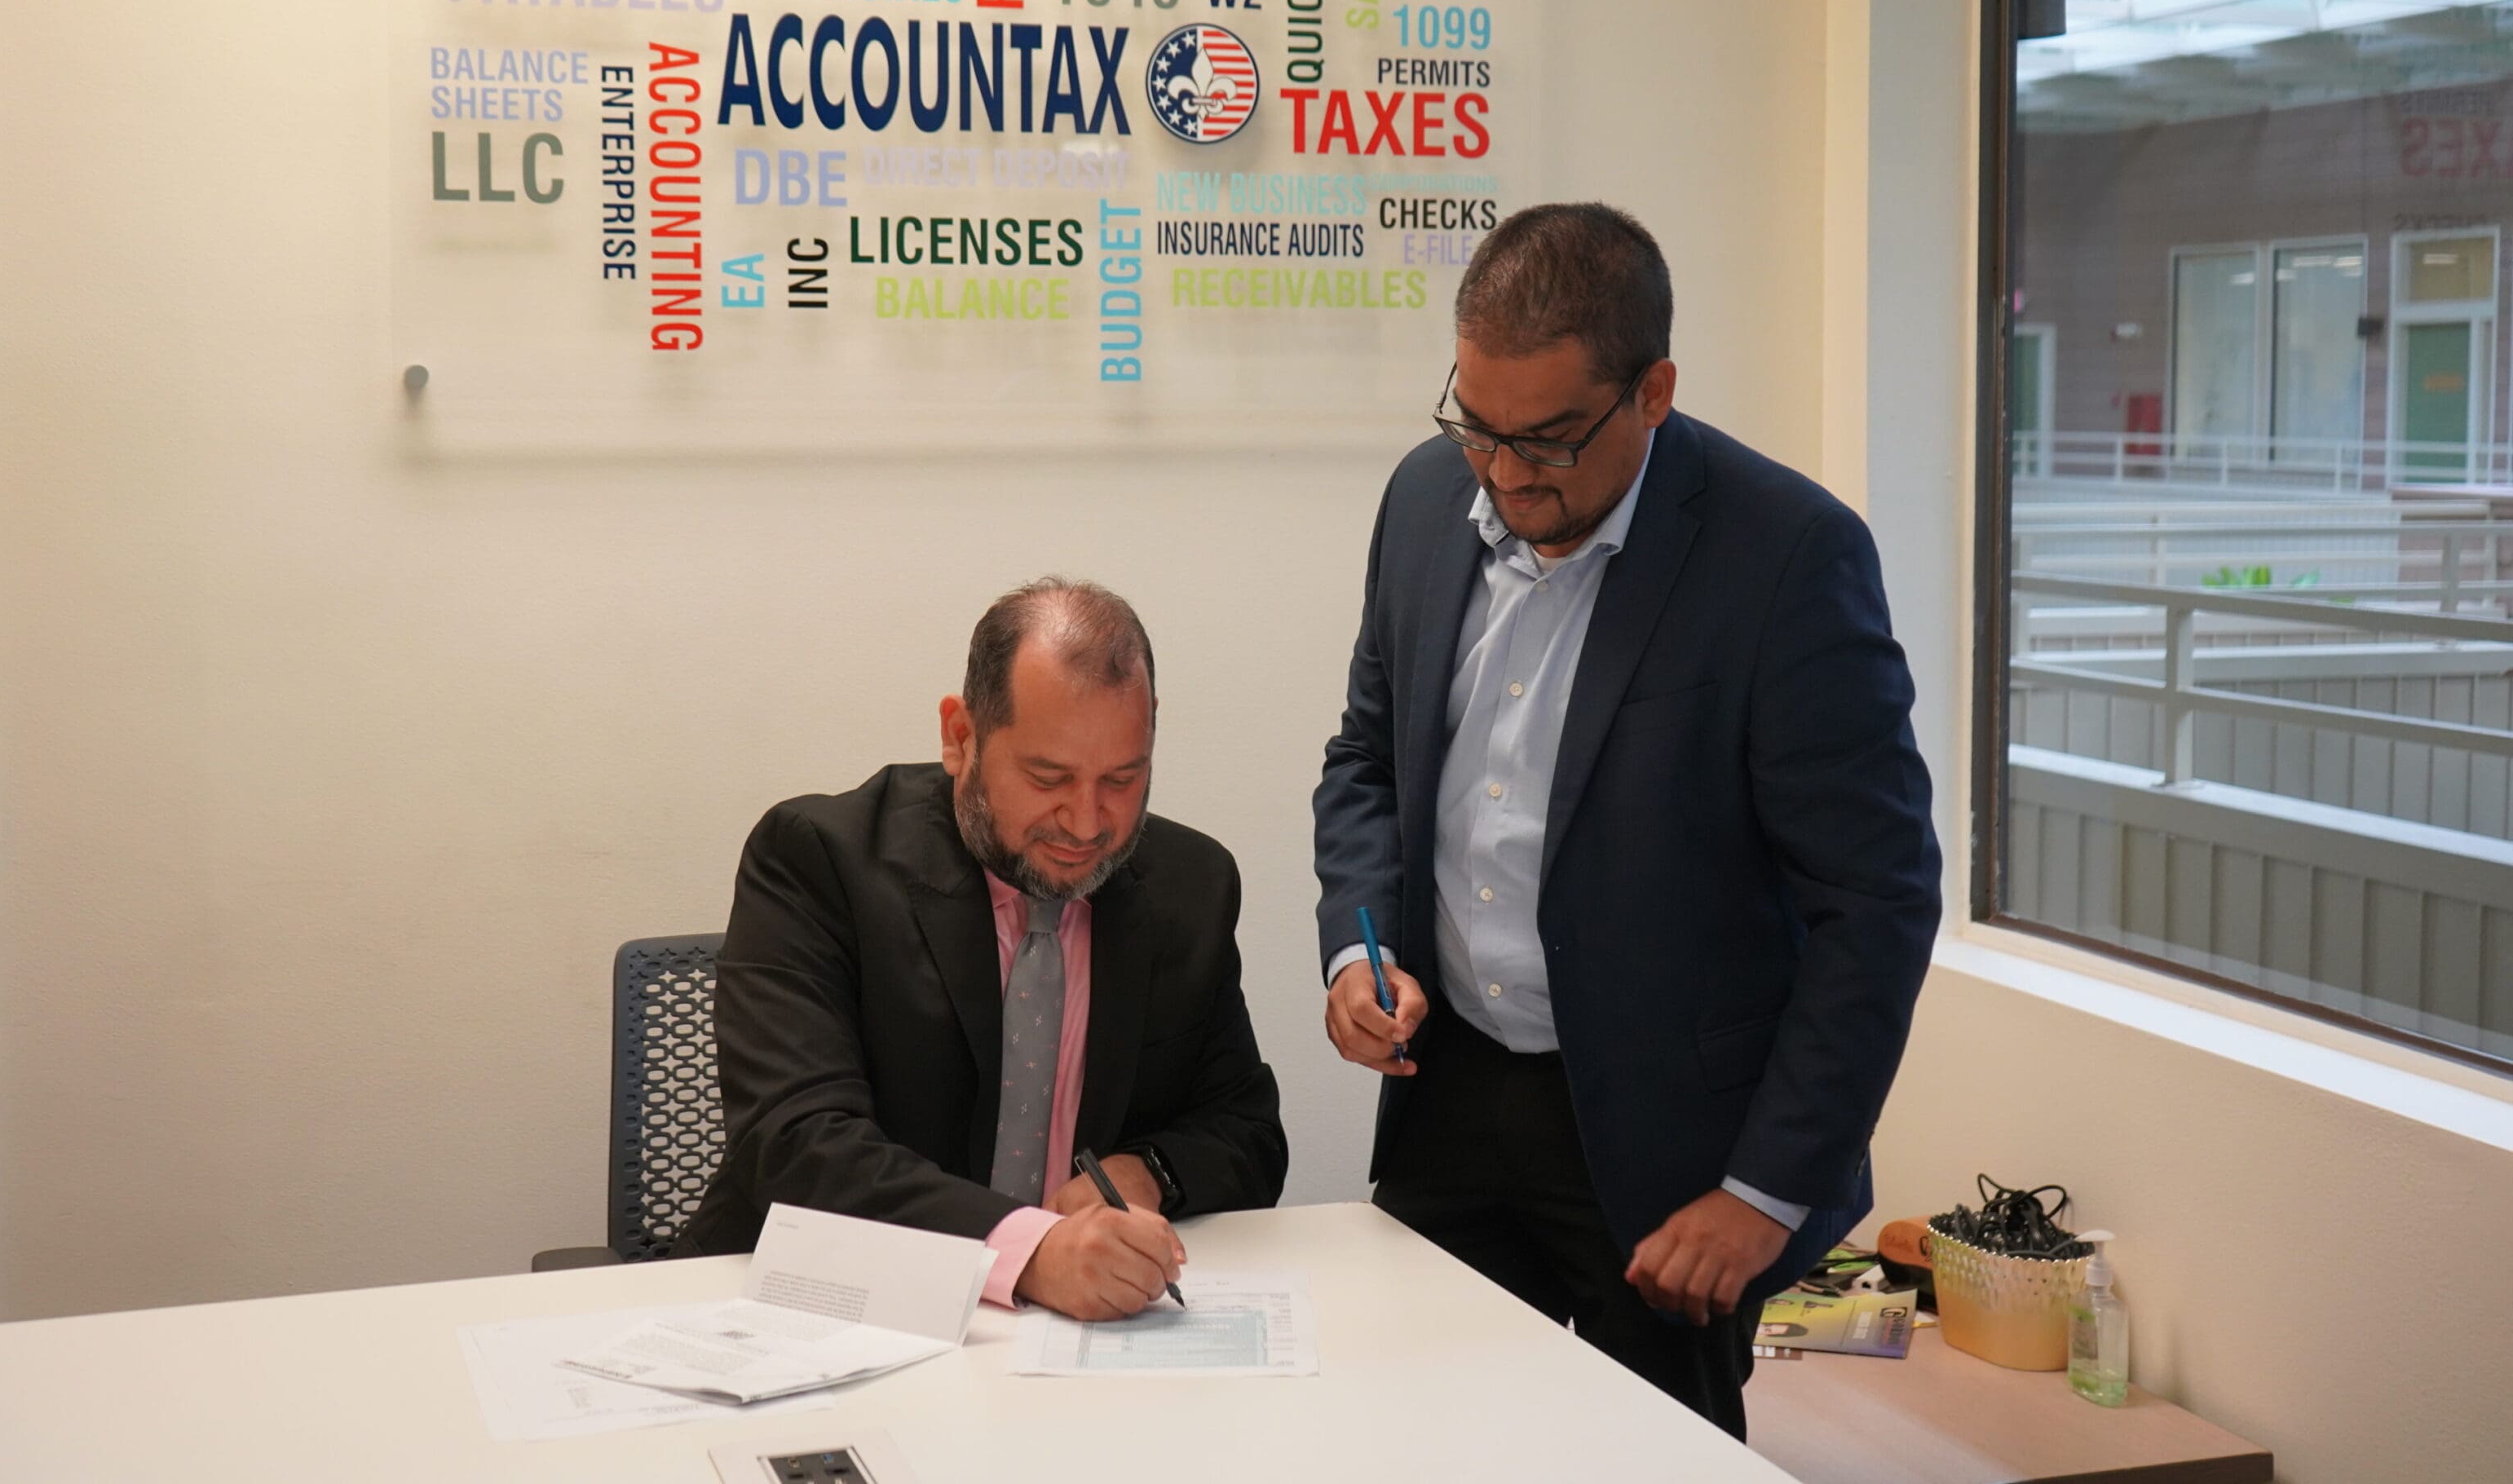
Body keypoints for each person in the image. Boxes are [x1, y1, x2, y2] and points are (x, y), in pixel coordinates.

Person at [1314, 202, 1941, 1438]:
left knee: (1643, 1456)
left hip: (1670, 1150)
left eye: (1545, 440)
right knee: (1403, 1434)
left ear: (1653, 391)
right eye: (1477, 425)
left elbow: (1875, 904)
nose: (1502, 472)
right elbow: (1367, 762)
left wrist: (1762, 1196)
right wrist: (1358, 950)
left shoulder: (1787, 557)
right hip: (1455, 1088)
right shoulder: (1427, 500)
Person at [679, 579, 1287, 1320]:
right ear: (960, 736)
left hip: (1065, 1345)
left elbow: (1246, 1131)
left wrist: (1144, 1172)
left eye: (1123, 779)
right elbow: (799, 1146)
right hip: (819, 1313)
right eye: (1048, 777)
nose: (1087, 821)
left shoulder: (1189, 885)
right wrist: (1026, 1250)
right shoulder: (819, 861)